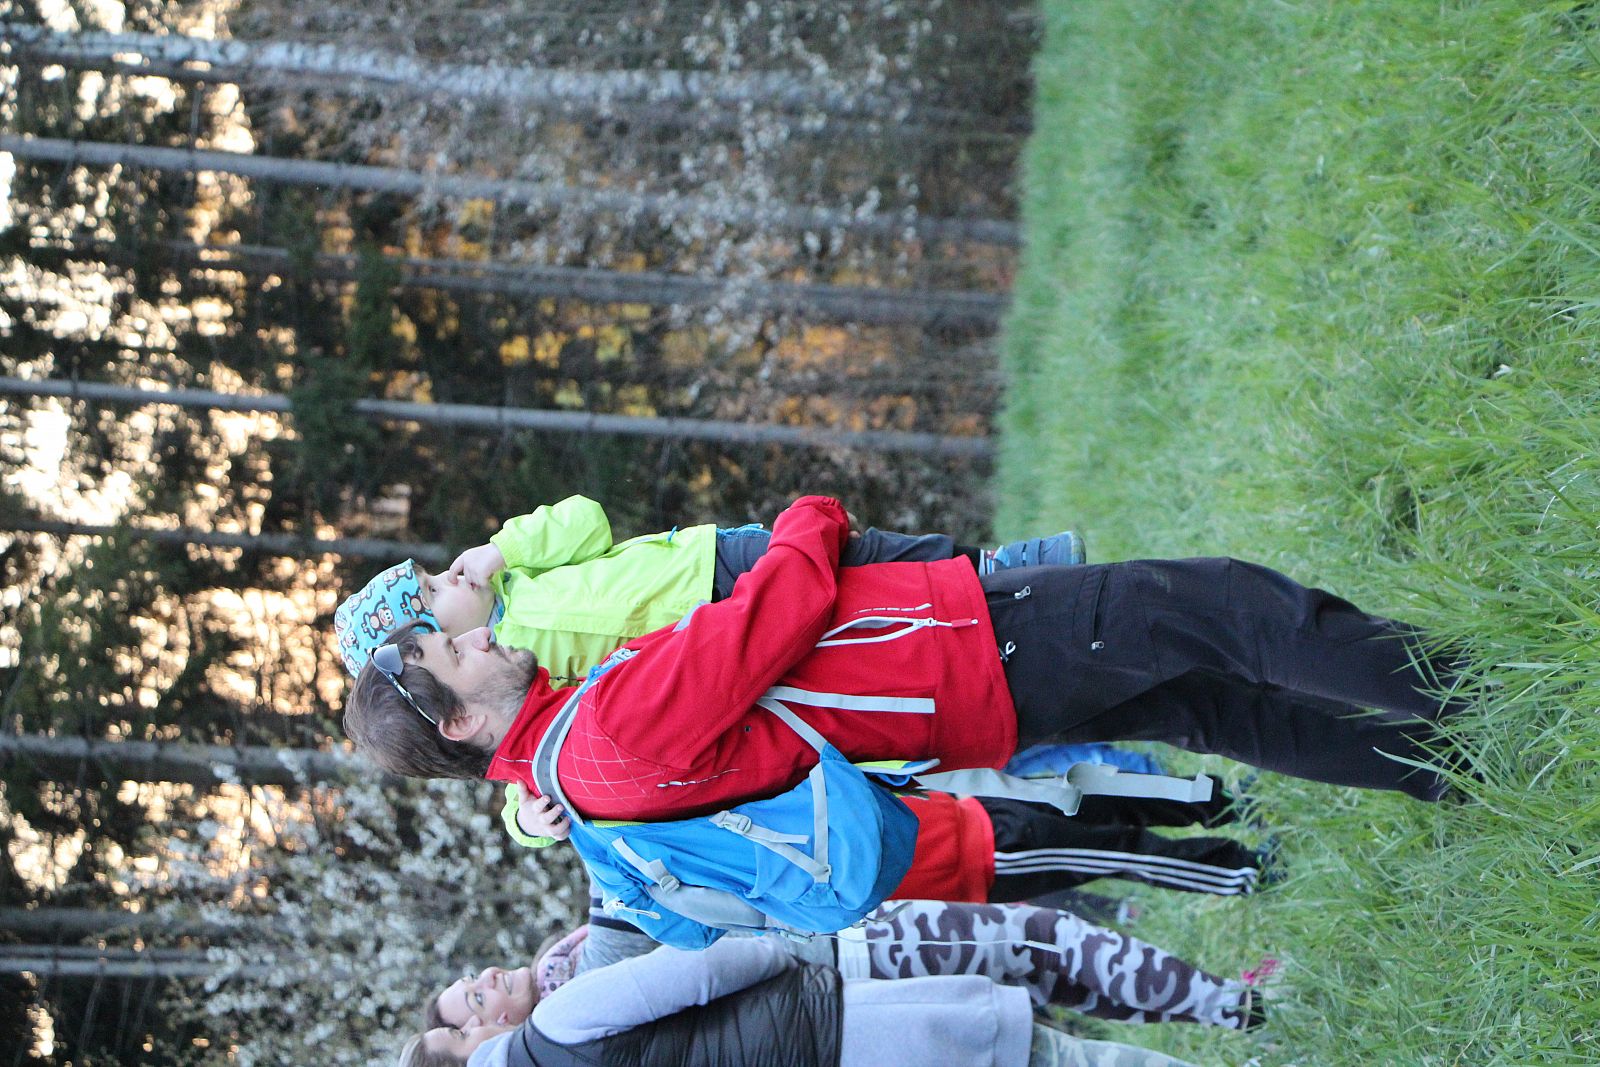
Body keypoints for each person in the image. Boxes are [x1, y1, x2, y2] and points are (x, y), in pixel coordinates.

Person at [343, 495, 1468, 819]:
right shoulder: (602, 729)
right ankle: (1472, 694)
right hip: (958, 652)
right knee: (1220, 606)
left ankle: (1447, 764)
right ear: (457, 720)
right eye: (452, 647)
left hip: (954, 701)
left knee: (1207, 704)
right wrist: (807, 519)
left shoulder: (578, 767)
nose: (475, 631)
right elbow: (767, 622)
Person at [334, 494, 1084, 686]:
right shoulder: (497, 670)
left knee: (862, 556)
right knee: (866, 609)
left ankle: (1000, 565)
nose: (450, 575)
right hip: (713, 633)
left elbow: (588, 520)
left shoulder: (516, 564)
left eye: (433, 570)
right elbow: (513, 777)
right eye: (432, 593)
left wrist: (501, 549)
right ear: (428, 644)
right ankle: (996, 610)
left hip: (711, 560)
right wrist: (527, 823)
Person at [428, 898, 1264, 1033]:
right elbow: (623, 899)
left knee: (1037, 978)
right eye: (474, 998)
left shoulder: (559, 977)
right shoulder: (571, 998)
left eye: (473, 978)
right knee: (1042, 940)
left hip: (834, 972)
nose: (486, 978)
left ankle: (1213, 1005)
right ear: (489, 1031)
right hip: (839, 957)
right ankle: (1233, 1006)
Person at [398, 935, 1204, 1067]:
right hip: (834, 1031)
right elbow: (702, 970)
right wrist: (777, 952)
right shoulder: (555, 1020)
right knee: (1053, 1058)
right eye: (459, 1034)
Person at [506, 783, 1267, 899]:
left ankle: (1223, 806)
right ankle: (1244, 869)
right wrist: (530, 824)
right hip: (967, 855)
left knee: (1086, 811)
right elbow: (522, 807)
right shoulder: (639, 858)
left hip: (949, 810)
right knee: (1112, 852)